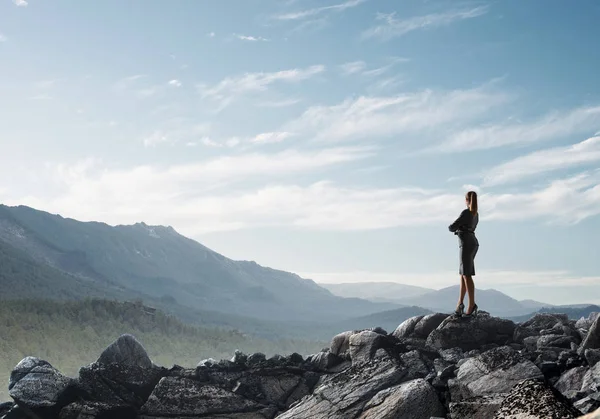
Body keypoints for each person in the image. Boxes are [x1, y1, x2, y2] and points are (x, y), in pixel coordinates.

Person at [448, 191, 479, 317]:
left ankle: (471, 305)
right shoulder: (476, 214)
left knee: (466, 275)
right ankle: (460, 304)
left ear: (467, 200)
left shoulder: (466, 212)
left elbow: (451, 227)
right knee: (463, 274)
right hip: (472, 242)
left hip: (466, 243)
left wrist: (456, 227)